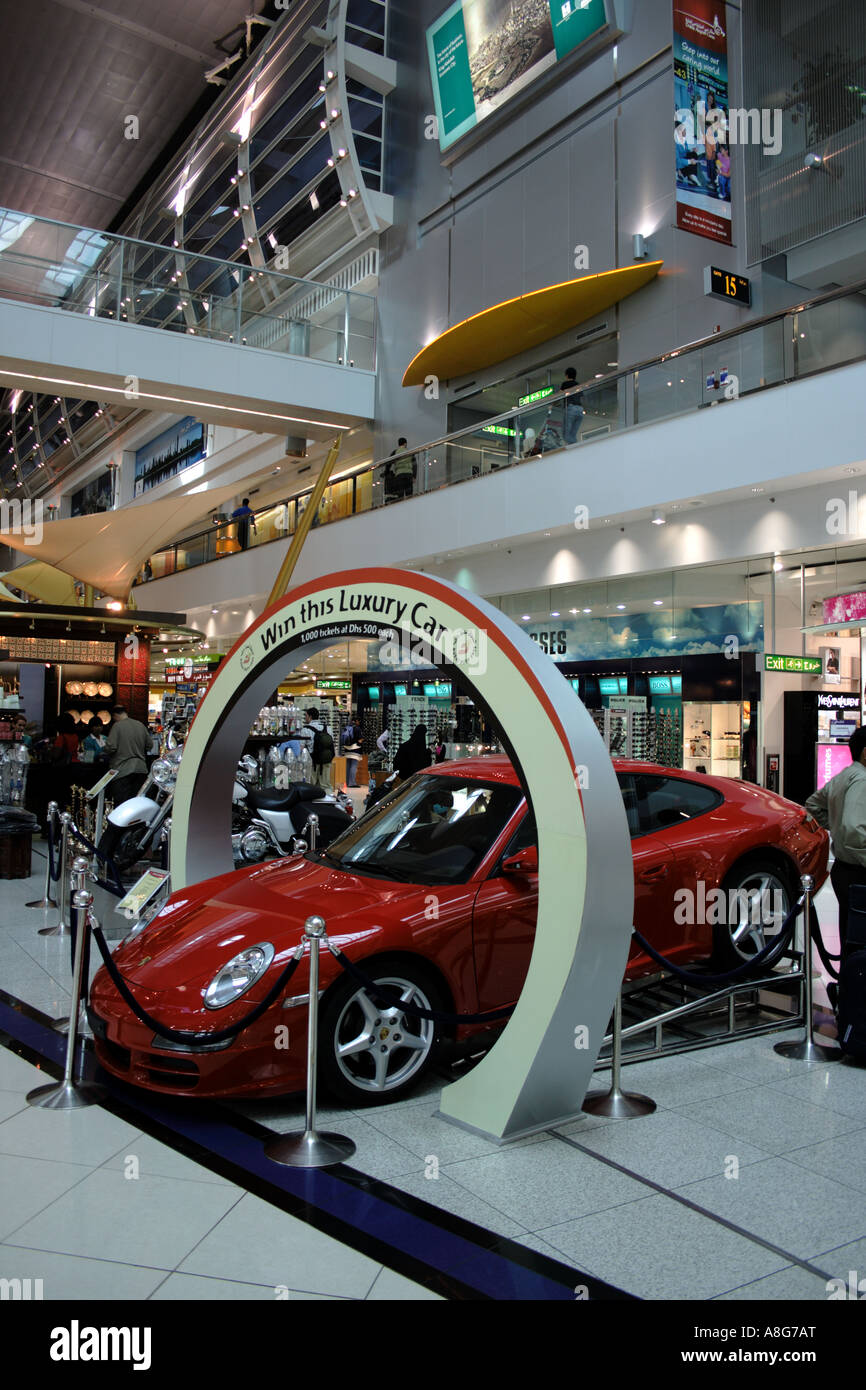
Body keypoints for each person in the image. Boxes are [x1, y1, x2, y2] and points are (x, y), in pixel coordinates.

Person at [805, 727, 866, 986]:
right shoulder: (862, 780)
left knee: (851, 935)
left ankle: (850, 993)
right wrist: (843, 829)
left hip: (845, 871)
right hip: (860, 872)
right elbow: (855, 829)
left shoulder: (847, 775)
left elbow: (813, 804)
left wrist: (835, 826)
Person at [104, 704, 149, 804]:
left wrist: (103, 750)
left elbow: (111, 747)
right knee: (137, 802)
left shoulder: (117, 726)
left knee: (122, 804)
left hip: (122, 771)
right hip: (140, 769)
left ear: (115, 715)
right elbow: (149, 745)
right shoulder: (140, 725)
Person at [301, 708, 335, 790]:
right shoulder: (328, 728)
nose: (305, 717)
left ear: (310, 716)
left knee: (311, 785)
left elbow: (301, 747)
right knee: (325, 785)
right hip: (326, 760)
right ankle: (327, 800)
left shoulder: (305, 729)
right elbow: (331, 743)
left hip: (313, 762)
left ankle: (312, 802)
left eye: (306, 715)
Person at [560, 367, 585, 445]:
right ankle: (575, 447)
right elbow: (582, 397)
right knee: (572, 435)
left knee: (566, 435)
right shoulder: (578, 385)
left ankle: (575, 448)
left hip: (571, 408)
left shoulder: (565, 384)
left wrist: (552, 405)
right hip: (580, 410)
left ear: (567, 375)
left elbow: (559, 396)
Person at [341, 719, 363, 788]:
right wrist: (360, 743)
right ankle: (352, 783)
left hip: (347, 749)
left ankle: (347, 782)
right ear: (356, 721)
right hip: (355, 749)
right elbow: (360, 739)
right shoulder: (357, 729)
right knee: (354, 766)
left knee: (348, 766)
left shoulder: (346, 728)